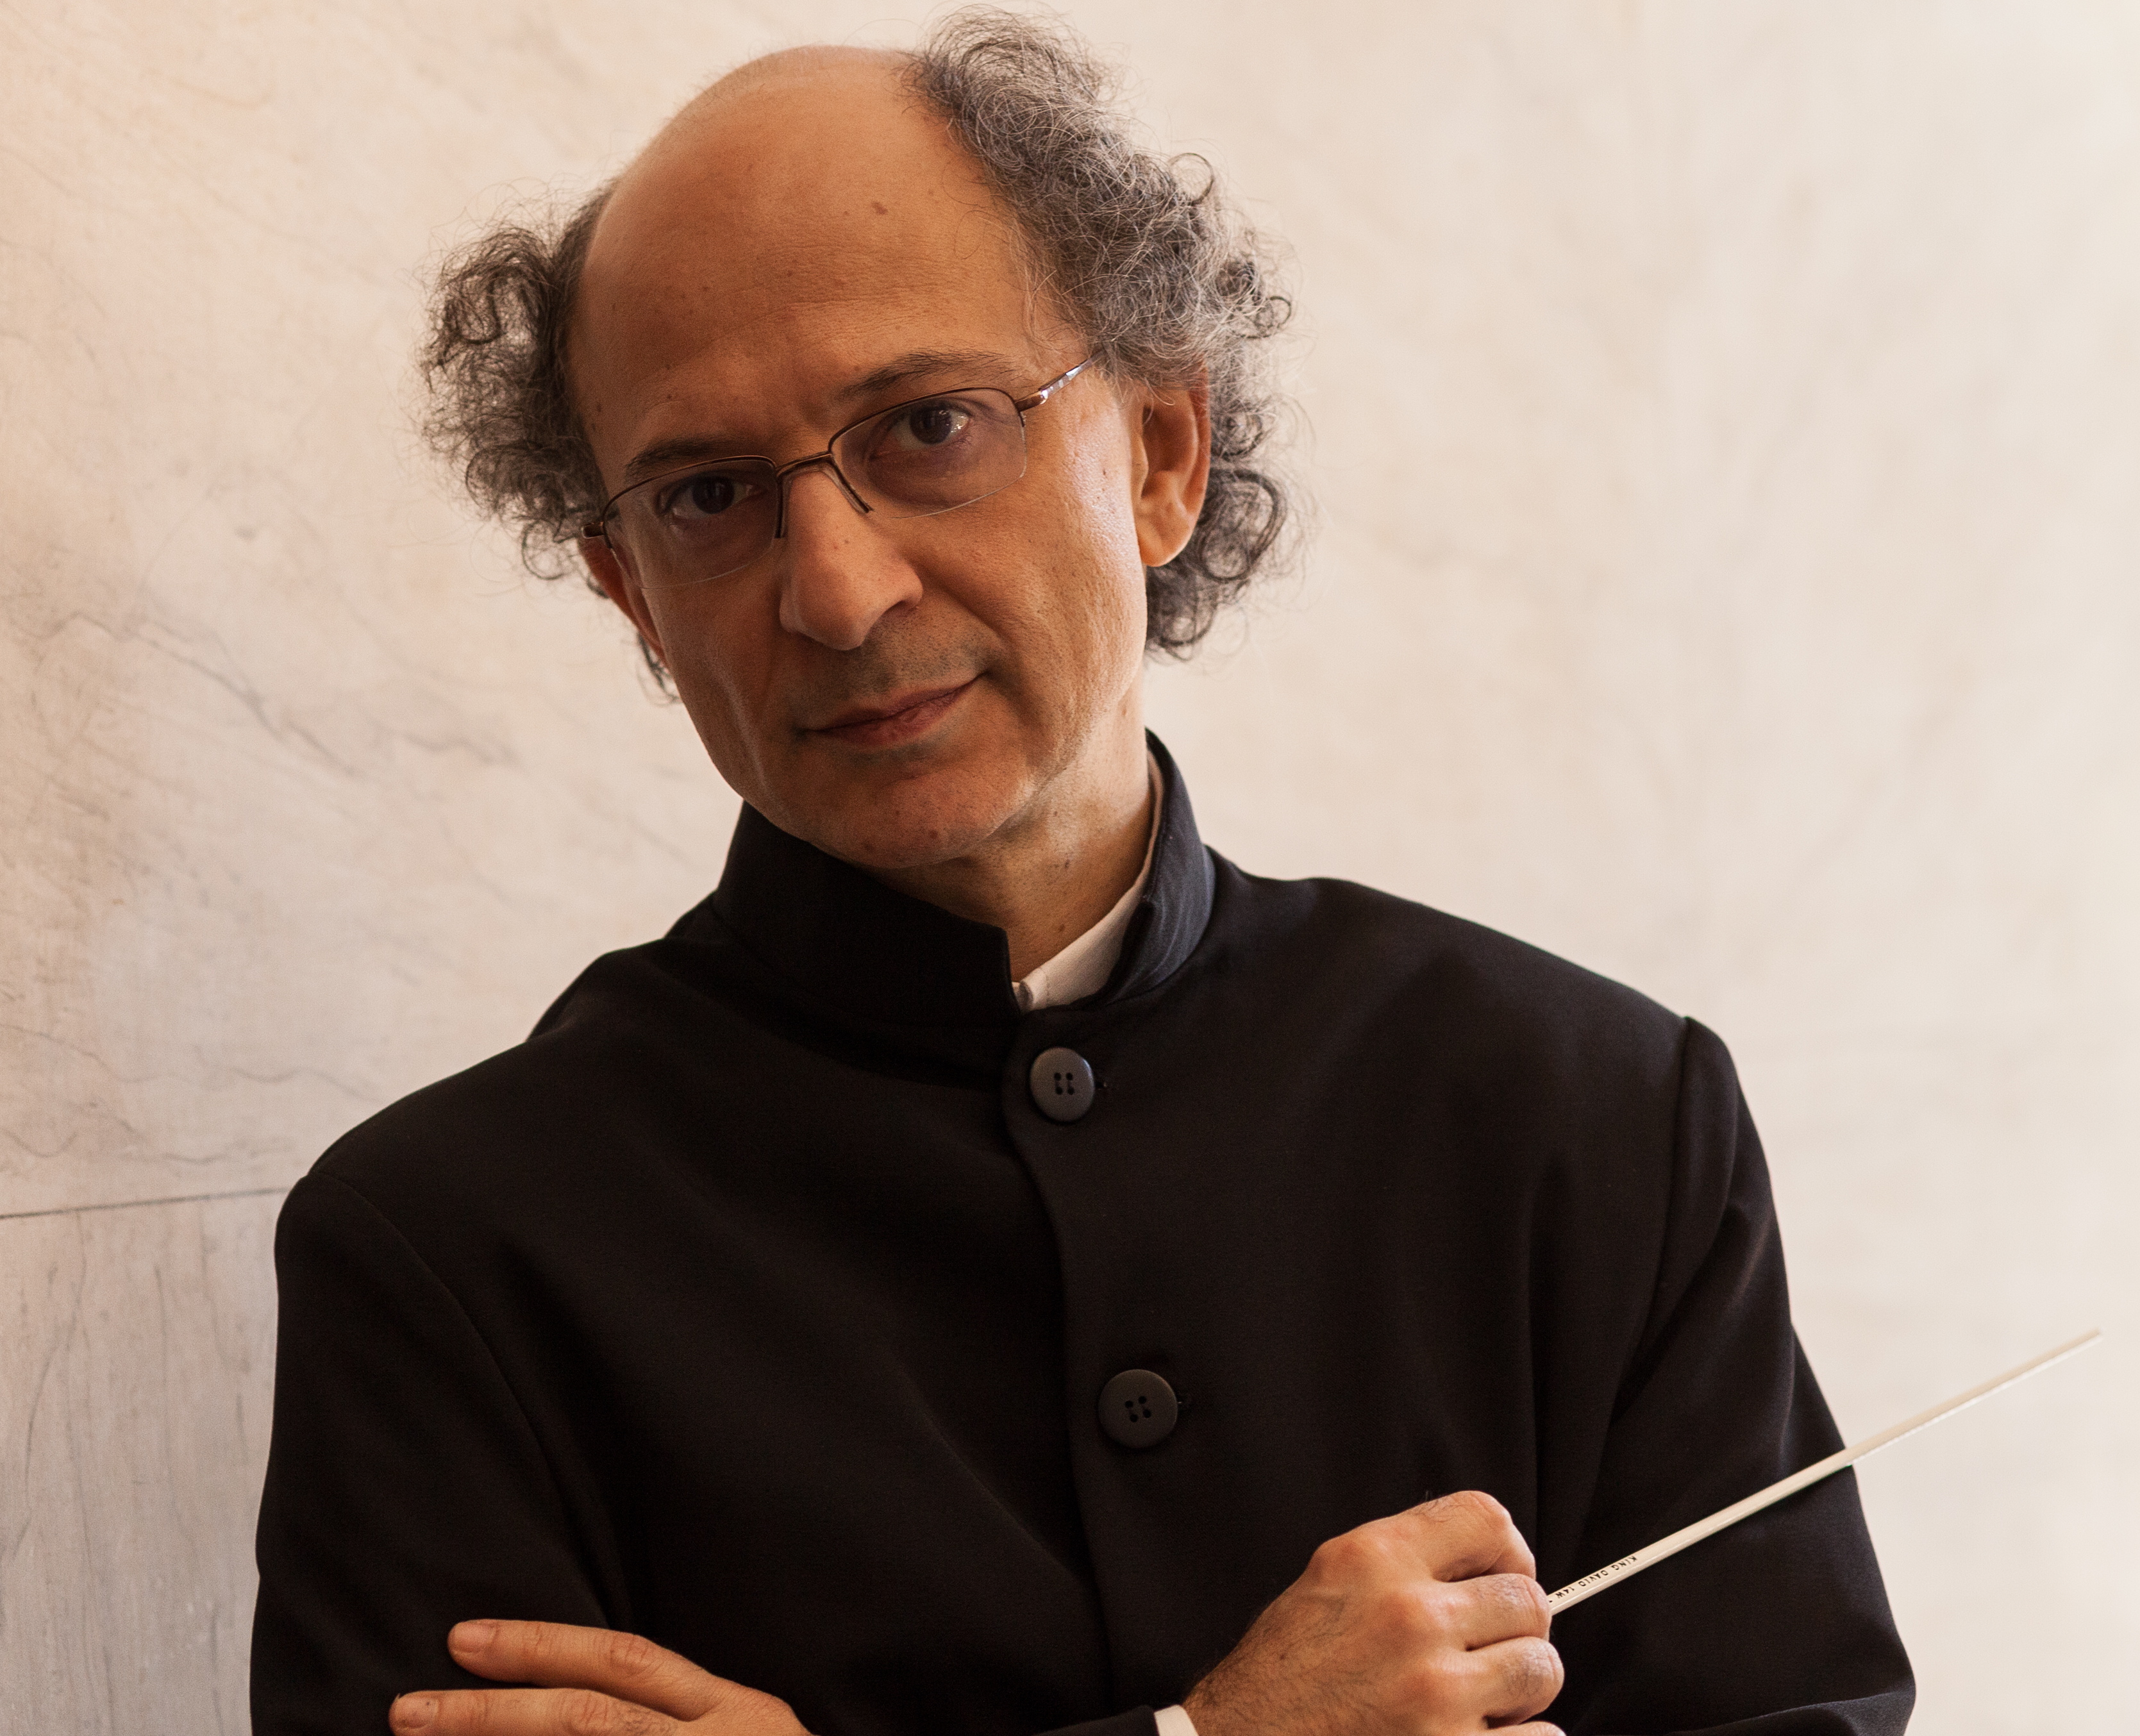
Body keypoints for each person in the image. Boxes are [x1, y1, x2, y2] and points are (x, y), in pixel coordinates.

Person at [250, 12, 1914, 1736]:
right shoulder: (447, 1255)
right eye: (710, 495)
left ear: (1164, 454)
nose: (836, 592)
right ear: (630, 597)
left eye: (929, 425)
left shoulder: (1602, 1125)